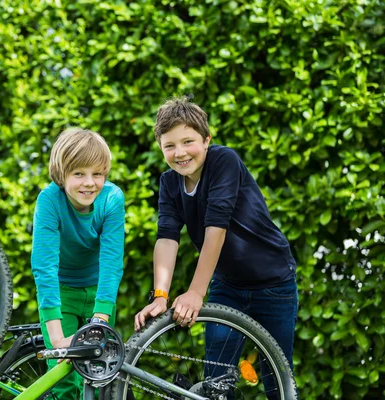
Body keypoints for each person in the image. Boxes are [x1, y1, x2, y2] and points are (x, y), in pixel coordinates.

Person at [134, 95, 298, 396]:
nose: (180, 153)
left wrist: (196, 292)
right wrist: (160, 295)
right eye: (169, 146)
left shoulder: (224, 161)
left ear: (206, 140)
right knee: (216, 383)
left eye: (188, 142)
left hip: (273, 282)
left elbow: (216, 228)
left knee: (277, 379)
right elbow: (167, 236)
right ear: (160, 148)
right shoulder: (169, 183)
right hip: (228, 286)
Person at [31, 127, 125, 399]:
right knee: (63, 380)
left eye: (98, 174)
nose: (89, 183)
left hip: (98, 290)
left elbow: (111, 262)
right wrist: (58, 337)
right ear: (62, 175)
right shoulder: (49, 200)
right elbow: (44, 267)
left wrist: (100, 317)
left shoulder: (111, 199)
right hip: (63, 292)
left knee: (101, 375)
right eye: (79, 174)